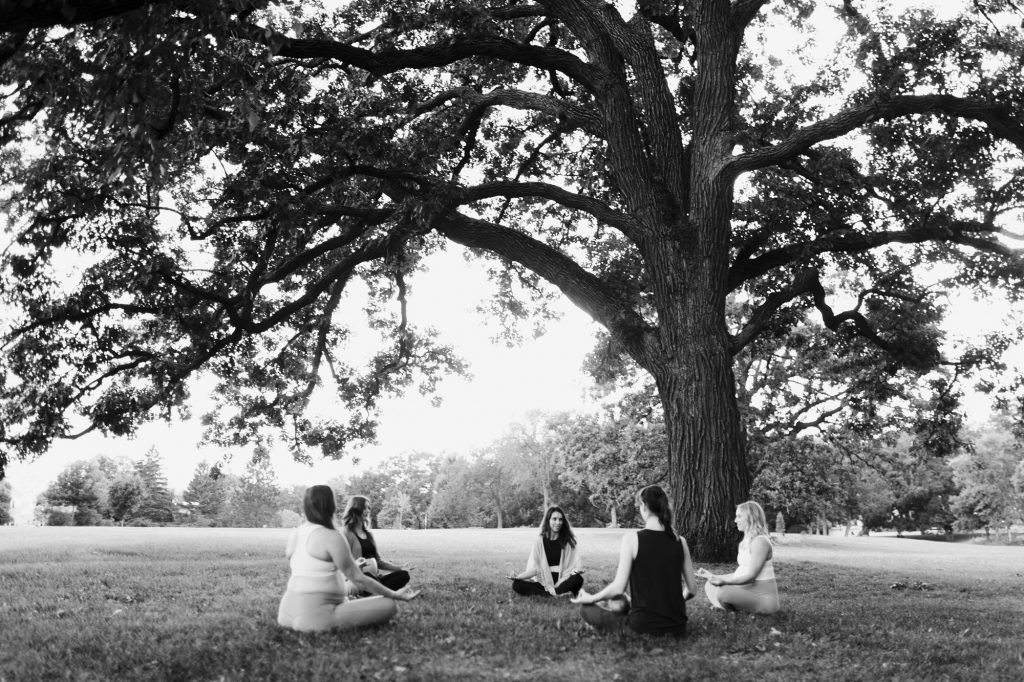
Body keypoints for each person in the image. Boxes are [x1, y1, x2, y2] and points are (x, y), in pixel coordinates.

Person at [277, 485, 419, 632]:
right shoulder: (332, 536)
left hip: (286, 611)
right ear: (331, 505)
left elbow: (305, 564)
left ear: (306, 507)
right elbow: (359, 579)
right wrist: (395, 594)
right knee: (389, 605)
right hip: (315, 614)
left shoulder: (297, 533)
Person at [572, 485, 697, 637]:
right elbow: (692, 590)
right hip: (678, 628)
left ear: (643, 506)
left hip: (643, 627)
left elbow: (618, 588)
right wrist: (671, 608)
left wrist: (591, 598)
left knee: (586, 609)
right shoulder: (680, 541)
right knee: (624, 602)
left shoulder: (632, 539)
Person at [697, 500, 780, 614]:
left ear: (752, 517)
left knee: (724, 592)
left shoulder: (760, 542)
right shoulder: (745, 542)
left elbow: (751, 576)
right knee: (710, 584)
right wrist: (713, 576)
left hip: (765, 600)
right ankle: (727, 606)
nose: (736, 520)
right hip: (748, 590)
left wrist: (725, 582)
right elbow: (741, 573)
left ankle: (726, 606)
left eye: (739, 516)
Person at [507, 505, 584, 597]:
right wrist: (518, 577)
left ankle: (552, 593)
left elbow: (573, 566)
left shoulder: (568, 542)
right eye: (554, 519)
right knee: (517, 584)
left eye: (561, 519)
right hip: (545, 581)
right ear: (548, 520)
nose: (558, 522)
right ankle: (552, 594)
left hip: (563, 579)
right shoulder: (539, 542)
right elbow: (535, 570)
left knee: (578, 579)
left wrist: (576, 571)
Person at [341, 495, 414, 592]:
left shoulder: (369, 535)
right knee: (367, 576)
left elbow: (378, 561)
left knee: (403, 575)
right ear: (356, 508)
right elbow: (342, 563)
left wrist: (400, 567)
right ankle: (377, 591)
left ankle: (375, 591)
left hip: (375, 578)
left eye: (369, 508)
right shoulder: (346, 533)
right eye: (365, 507)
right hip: (360, 578)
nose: (368, 511)